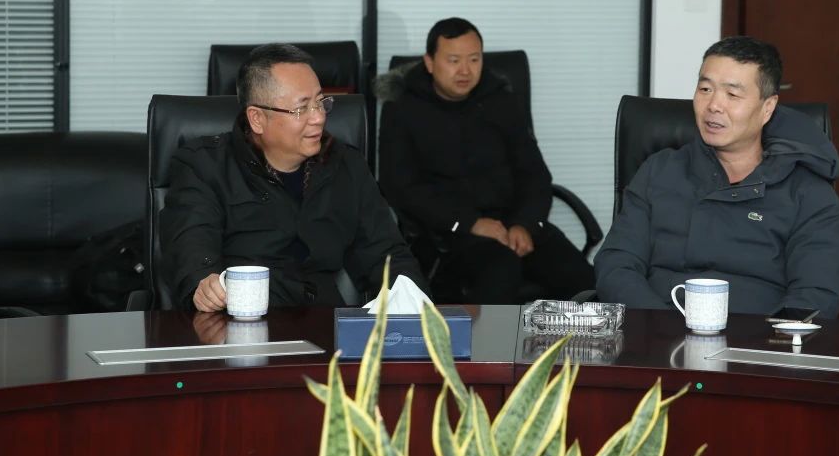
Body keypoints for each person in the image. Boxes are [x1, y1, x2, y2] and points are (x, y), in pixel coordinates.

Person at [595, 36, 839, 316]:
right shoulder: (660, 170)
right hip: (656, 331)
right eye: (705, 89)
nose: (713, 105)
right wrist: (659, 326)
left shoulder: (808, 193)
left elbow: (815, 294)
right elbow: (616, 265)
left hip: (757, 338)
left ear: (767, 108)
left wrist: (763, 340)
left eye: (732, 94)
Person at [161, 43, 423, 311]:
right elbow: (192, 248)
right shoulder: (205, 166)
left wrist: (416, 309)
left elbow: (388, 256)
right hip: (238, 321)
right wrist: (204, 284)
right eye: (302, 109)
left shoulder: (346, 165)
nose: (318, 117)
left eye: (320, 102)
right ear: (257, 119)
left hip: (325, 323)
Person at [378, 18, 594, 303]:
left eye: (474, 59)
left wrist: (526, 224)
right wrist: (469, 223)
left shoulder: (500, 100)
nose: (465, 70)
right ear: (429, 62)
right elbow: (400, 187)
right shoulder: (402, 108)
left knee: (586, 283)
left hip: (514, 224)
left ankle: (590, 335)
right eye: (453, 60)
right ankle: (492, 337)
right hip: (448, 234)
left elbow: (535, 174)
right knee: (501, 272)